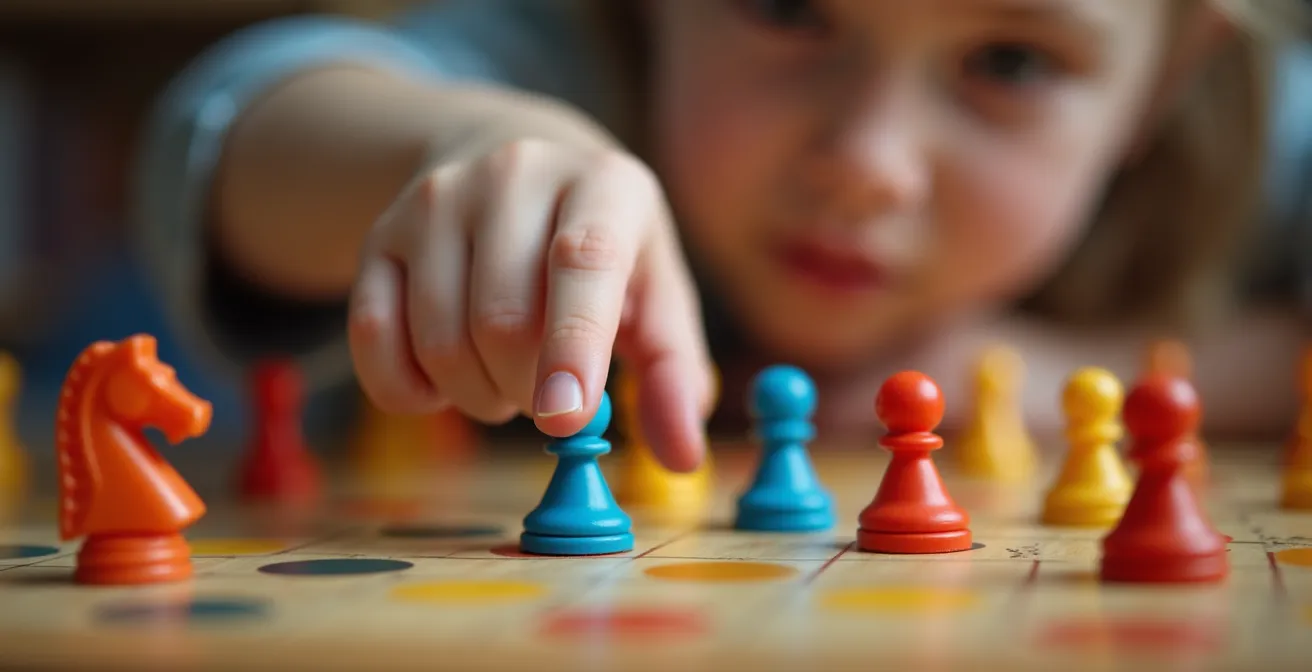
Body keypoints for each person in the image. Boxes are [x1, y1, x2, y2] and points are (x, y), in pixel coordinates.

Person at [133, 0, 1311, 472]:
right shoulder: (567, 57)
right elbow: (225, 128)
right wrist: (452, 144)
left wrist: (1071, 377)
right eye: (789, 8)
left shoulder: (1252, 133)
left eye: (1010, 62)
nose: (866, 160)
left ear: (1163, 85)